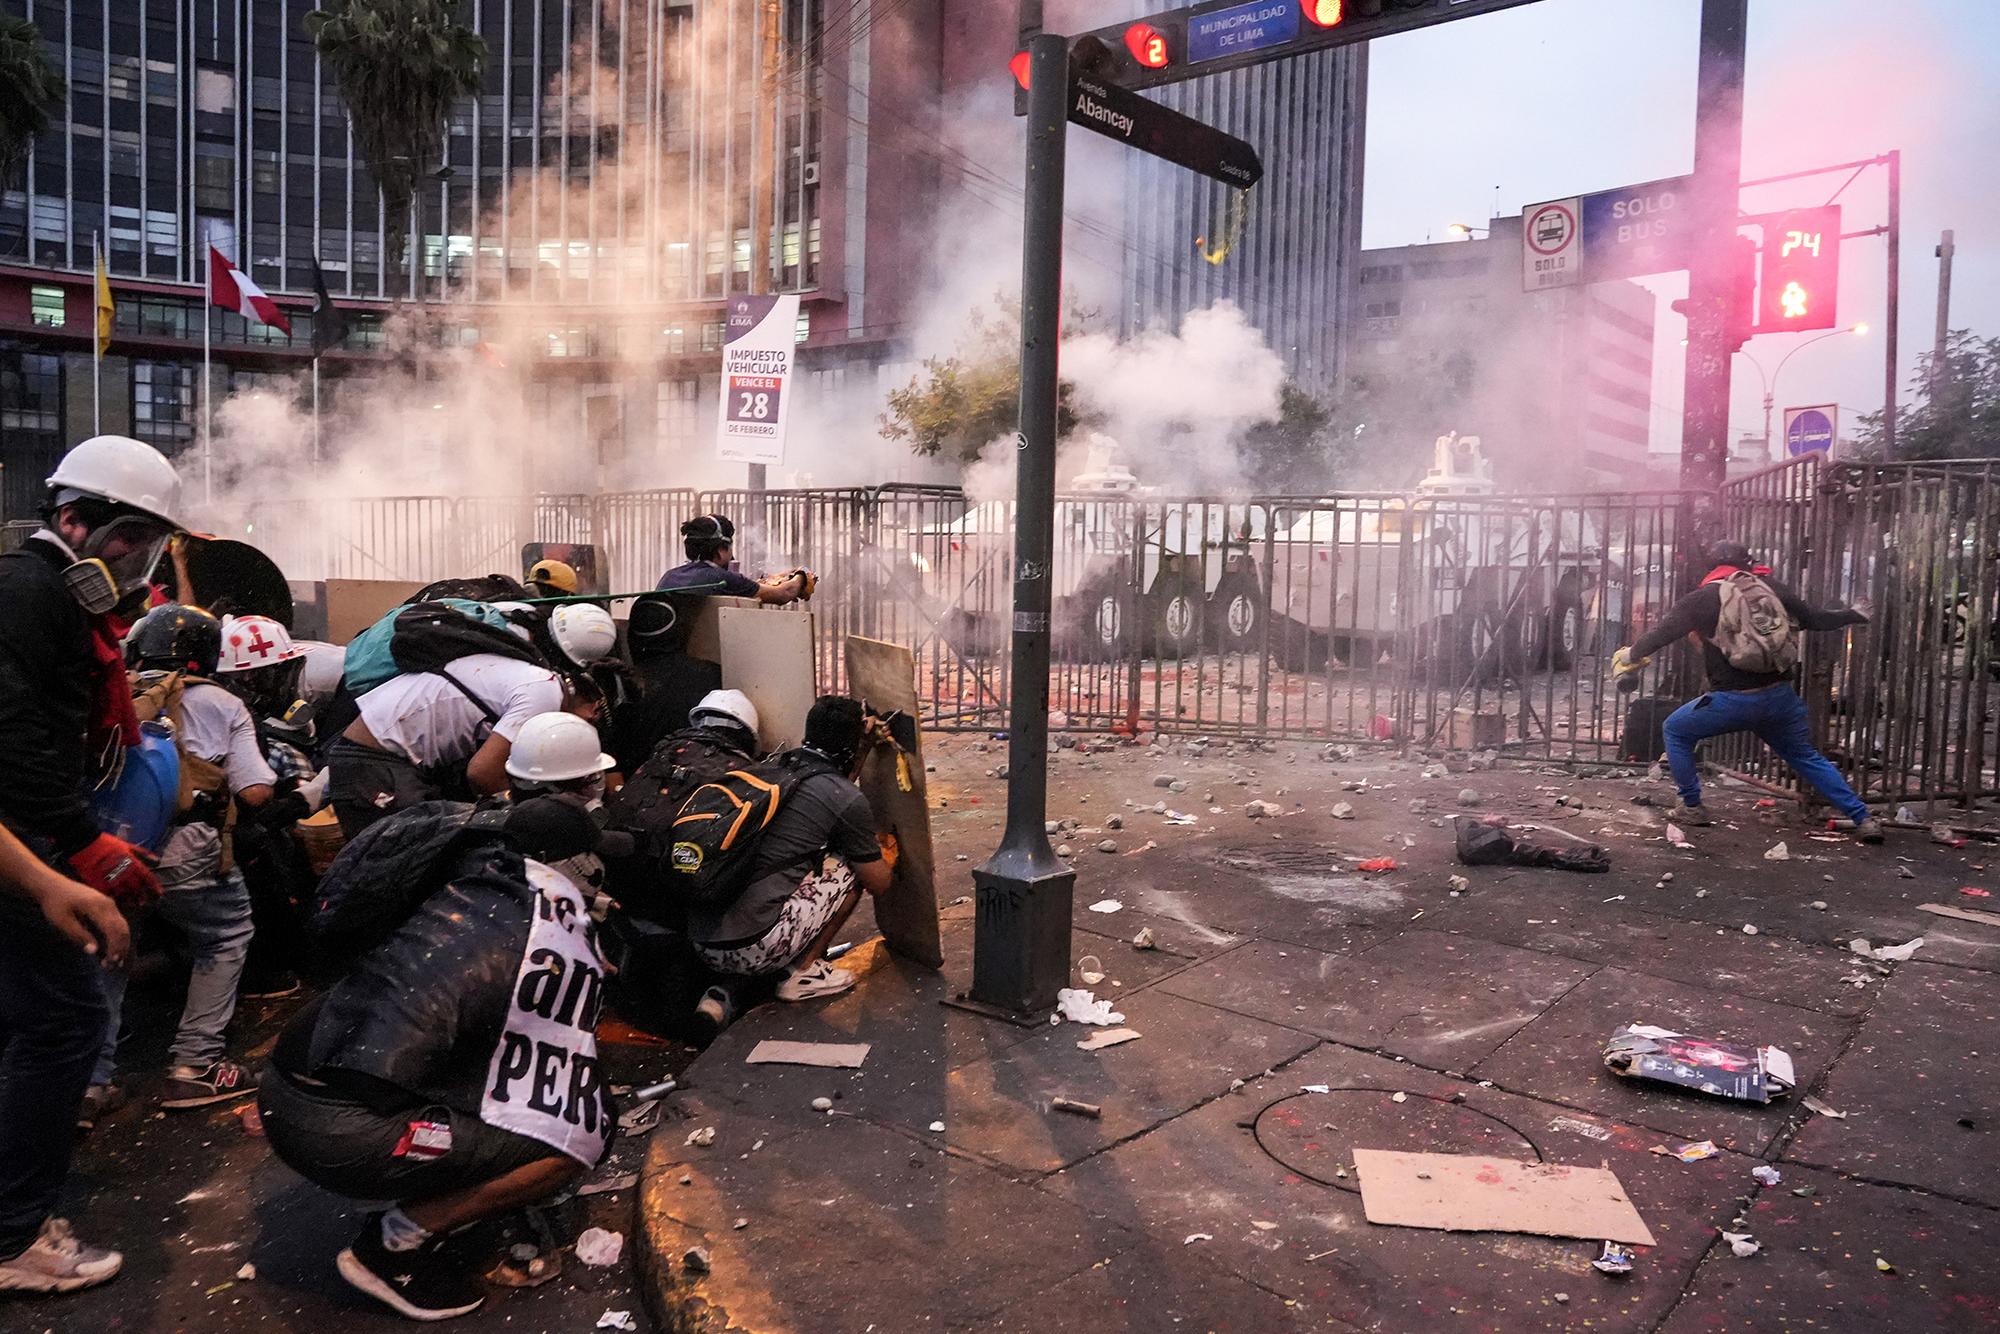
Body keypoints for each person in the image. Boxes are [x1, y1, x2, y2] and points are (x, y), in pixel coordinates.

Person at [258, 795, 624, 1321]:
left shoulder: (467, 878)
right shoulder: (550, 942)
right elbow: (557, 1076)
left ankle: (416, 1172)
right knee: (577, 1134)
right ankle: (392, 1247)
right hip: (340, 1127)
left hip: (293, 1079)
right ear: (570, 864)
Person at [0, 433, 182, 1295]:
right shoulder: (28, 593)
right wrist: (77, 841)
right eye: (128, 542)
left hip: (30, 839)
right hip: (19, 845)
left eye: (149, 548)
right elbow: (17, 743)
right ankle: (13, 1238)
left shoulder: (51, 600)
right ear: (72, 518)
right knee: (65, 1021)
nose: (138, 565)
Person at [93, 604, 278, 1115]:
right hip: (188, 858)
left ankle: (88, 1083)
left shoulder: (112, 688)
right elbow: (257, 791)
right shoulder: (222, 703)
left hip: (108, 854)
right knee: (225, 934)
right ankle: (195, 1067)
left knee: (110, 948)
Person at [1615, 541, 1882, 841]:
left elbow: (1661, 634)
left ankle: (1691, 805)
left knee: (1676, 729)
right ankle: (1862, 818)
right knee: (1807, 756)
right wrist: (1855, 614)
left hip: (1731, 702)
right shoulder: (1770, 590)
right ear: (1748, 563)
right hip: (1779, 698)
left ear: (1711, 565)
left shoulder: (1703, 597)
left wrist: (1630, 656)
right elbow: (1816, 619)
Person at [688, 696, 892, 1030]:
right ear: (853, 742)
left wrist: (862, 747)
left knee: (780, 877)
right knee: (850, 868)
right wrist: (888, 853)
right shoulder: (844, 798)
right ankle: (801, 974)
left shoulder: (775, 766)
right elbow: (879, 883)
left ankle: (729, 989)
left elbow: (835, 788)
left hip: (703, 943)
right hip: (754, 947)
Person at [326, 603, 616, 838]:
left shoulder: (534, 677)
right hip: (375, 766)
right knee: (405, 873)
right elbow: (482, 774)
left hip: (381, 759)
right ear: (592, 709)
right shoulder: (544, 693)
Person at [214, 614, 324, 1001]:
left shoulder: (211, 701)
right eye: (274, 674)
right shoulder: (238, 717)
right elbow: (255, 795)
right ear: (250, 679)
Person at [655, 513, 811, 604]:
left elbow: (746, 587)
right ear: (721, 549)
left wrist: (779, 576)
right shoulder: (721, 578)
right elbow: (784, 594)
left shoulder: (670, 575)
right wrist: (801, 575)